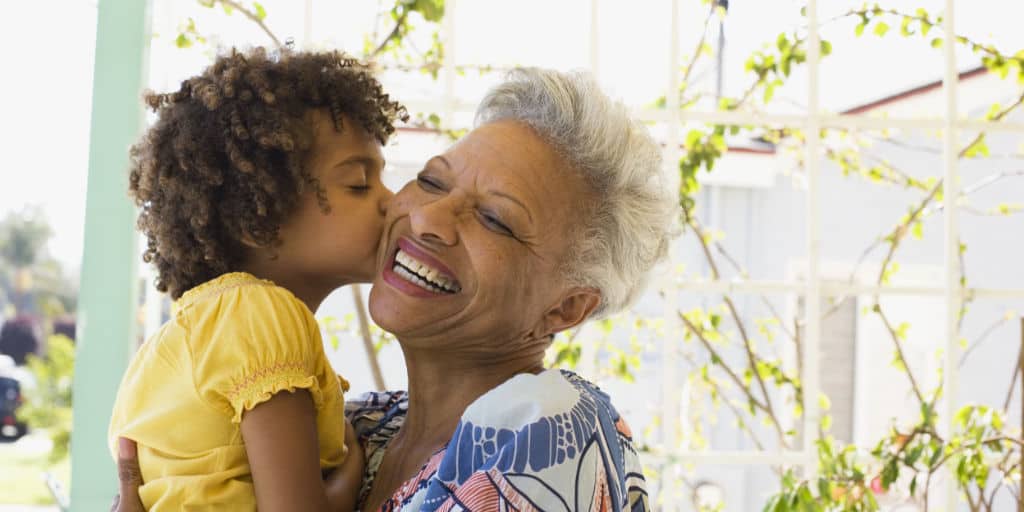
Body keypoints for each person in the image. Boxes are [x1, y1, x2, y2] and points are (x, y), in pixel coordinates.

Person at [113, 67, 678, 511]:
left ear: (566, 307)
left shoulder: (545, 430)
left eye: (497, 220)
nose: (428, 217)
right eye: (432, 180)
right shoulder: (357, 424)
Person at [107, 47, 406, 511]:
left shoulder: (187, 336)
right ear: (257, 217)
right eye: (359, 185)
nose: (392, 201)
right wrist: (349, 484)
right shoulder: (264, 316)